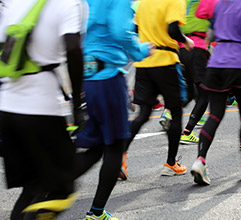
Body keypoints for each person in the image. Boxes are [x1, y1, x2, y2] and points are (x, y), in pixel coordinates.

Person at [0, 0, 85, 218]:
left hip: (7, 107)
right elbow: (74, 48)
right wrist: (77, 103)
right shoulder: (66, 4)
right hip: (41, 108)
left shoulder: (14, 3)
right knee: (62, 189)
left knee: (32, 187)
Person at [73, 0, 153, 219]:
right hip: (109, 76)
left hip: (89, 76)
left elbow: (77, 35)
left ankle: (52, 188)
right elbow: (120, 30)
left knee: (96, 146)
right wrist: (140, 50)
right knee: (115, 147)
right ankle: (96, 212)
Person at [190, 0, 241, 185]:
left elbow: (211, 34)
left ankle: (200, 160)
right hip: (240, 62)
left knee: (214, 115)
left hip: (217, 62)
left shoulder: (219, 4)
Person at [124, 0, 194, 177]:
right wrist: (186, 40)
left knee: (143, 114)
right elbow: (173, 30)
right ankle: (171, 163)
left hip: (145, 60)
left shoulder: (143, 2)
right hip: (166, 61)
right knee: (176, 112)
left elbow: (134, 30)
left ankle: (120, 157)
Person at [179, 0, 218, 145]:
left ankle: (169, 113)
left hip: (182, 48)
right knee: (204, 94)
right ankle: (187, 132)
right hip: (198, 48)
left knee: (190, 93)